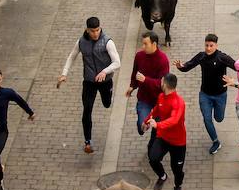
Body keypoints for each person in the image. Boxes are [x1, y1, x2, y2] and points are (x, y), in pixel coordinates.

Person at [57, 16, 123, 153]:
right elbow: (71, 57)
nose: (95, 33)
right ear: (87, 30)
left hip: (105, 81)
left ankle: (109, 95)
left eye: (97, 30)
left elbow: (117, 62)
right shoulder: (81, 42)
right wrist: (64, 73)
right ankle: (87, 141)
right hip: (89, 81)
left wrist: (105, 72)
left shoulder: (108, 42)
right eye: (92, 31)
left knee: (107, 103)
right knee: (87, 110)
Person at [175, 34, 237, 155]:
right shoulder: (201, 56)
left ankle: (217, 114)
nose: (208, 48)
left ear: (216, 45)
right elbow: (188, 65)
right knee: (207, 119)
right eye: (206, 45)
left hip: (220, 95)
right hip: (205, 95)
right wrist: (180, 67)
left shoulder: (222, 57)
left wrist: (234, 80)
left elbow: (237, 67)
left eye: (211, 45)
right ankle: (215, 142)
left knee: (219, 119)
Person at [145, 73, 187, 190]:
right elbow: (156, 110)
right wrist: (146, 121)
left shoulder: (178, 103)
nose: (160, 83)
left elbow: (174, 120)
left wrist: (158, 125)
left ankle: (178, 185)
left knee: (177, 169)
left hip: (178, 142)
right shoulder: (161, 97)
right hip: (163, 137)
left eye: (161, 81)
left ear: (165, 84)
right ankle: (162, 176)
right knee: (153, 158)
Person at [126, 31, 170, 135]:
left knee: (158, 130)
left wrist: (146, 80)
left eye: (146, 44)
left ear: (154, 44)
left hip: (159, 100)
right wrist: (132, 86)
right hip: (144, 99)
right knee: (142, 128)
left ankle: (153, 148)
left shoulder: (163, 60)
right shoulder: (139, 56)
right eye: (143, 43)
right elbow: (135, 73)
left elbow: (162, 84)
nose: (143, 47)